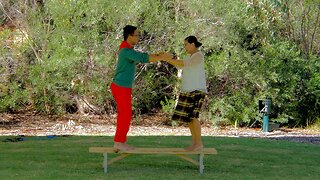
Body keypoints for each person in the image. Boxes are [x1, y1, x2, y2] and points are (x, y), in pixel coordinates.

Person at [110, 25, 173, 151]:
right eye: (137, 35)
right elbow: (143, 58)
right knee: (125, 115)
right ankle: (119, 142)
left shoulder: (128, 49)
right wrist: (163, 57)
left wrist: (158, 55)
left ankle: (119, 142)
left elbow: (144, 56)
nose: (139, 37)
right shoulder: (126, 51)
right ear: (129, 36)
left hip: (123, 87)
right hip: (121, 87)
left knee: (125, 115)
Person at [165, 36, 207, 151]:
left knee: (194, 117)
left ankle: (199, 143)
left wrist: (166, 58)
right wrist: (167, 58)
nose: (185, 47)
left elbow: (183, 63)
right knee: (189, 118)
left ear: (193, 44)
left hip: (197, 90)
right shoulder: (189, 56)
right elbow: (179, 64)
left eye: (186, 44)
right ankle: (195, 144)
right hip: (188, 90)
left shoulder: (198, 56)